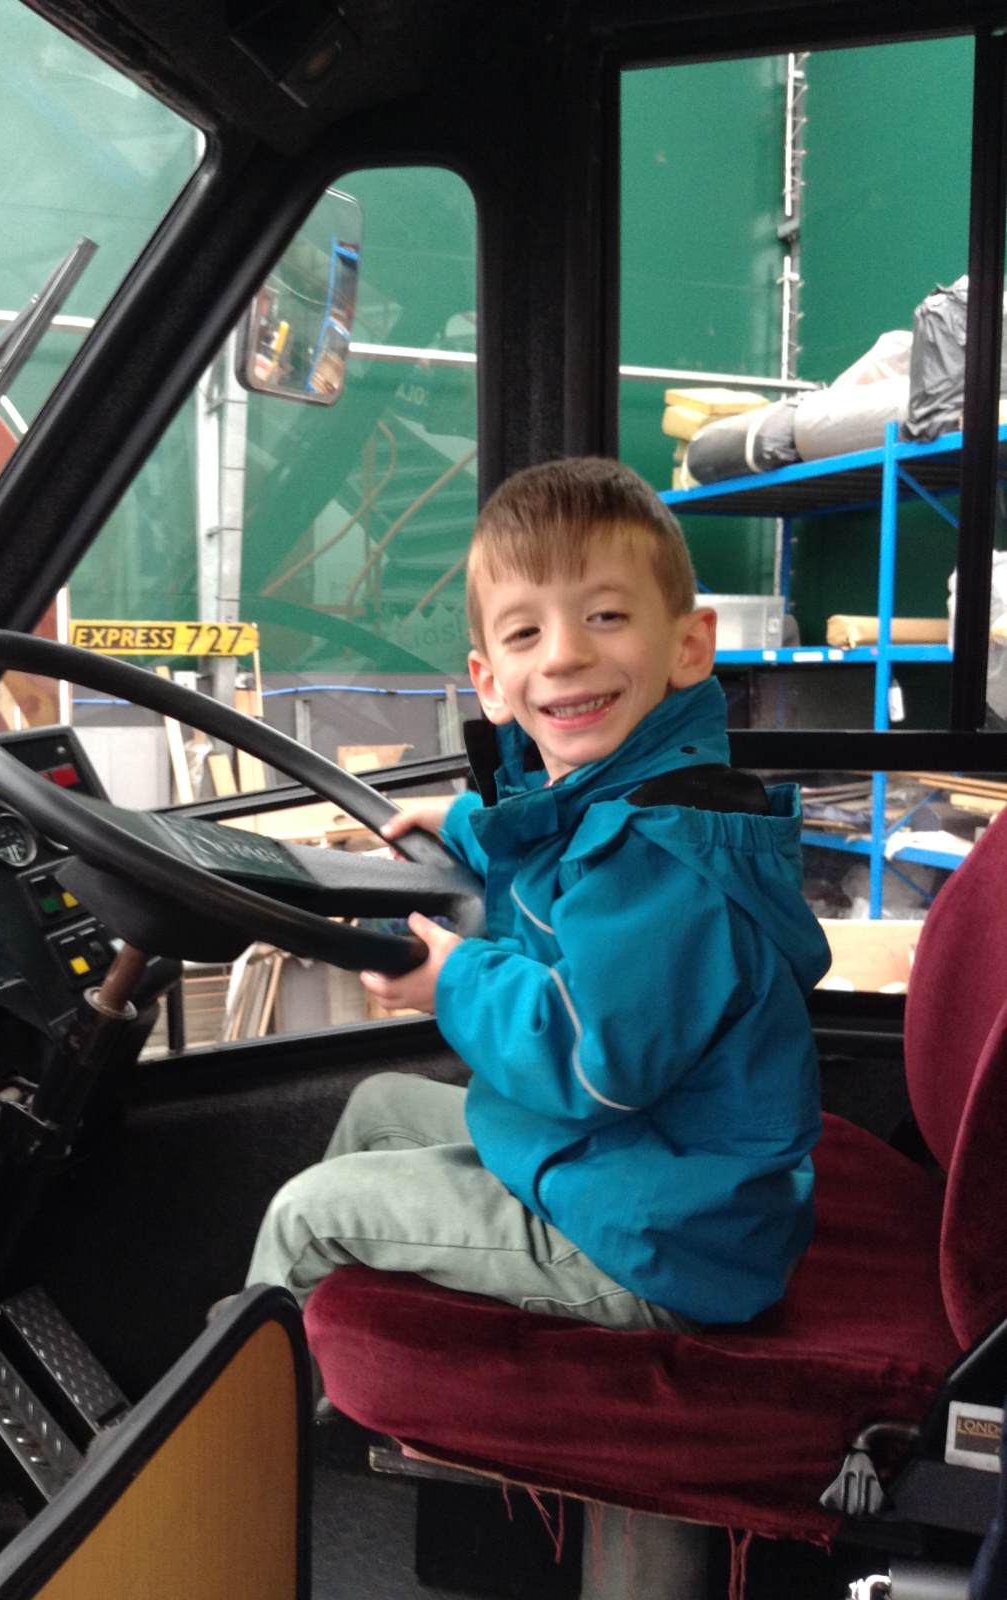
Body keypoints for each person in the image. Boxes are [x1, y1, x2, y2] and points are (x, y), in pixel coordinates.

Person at [246, 455, 831, 1337]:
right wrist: (464, 824)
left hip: (661, 1240)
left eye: (605, 616)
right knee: (378, 1107)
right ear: (489, 680)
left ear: (687, 646)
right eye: (525, 633)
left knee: (305, 1213)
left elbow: (592, 1055)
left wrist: (453, 982)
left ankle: (246, 1405)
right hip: (632, 1168)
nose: (563, 654)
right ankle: (335, 1355)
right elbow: (559, 841)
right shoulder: (621, 801)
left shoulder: (666, 857)